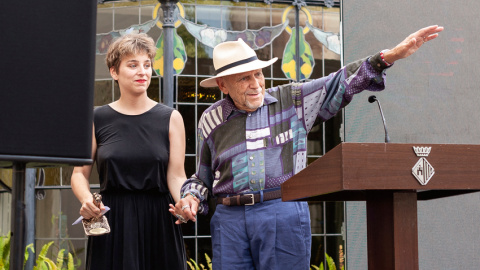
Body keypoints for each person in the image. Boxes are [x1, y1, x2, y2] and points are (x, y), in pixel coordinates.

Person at [170, 25, 444, 269]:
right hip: (229, 221)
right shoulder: (211, 119)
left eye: (258, 74)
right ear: (222, 85)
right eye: (245, 79)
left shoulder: (292, 100)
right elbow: (202, 178)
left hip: (281, 211)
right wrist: (191, 198)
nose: (256, 85)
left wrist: (388, 57)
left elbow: (339, 81)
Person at [71, 33, 187, 270]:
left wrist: (183, 202)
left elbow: (176, 175)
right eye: (132, 65)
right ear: (114, 72)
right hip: (112, 219)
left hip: (159, 220)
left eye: (147, 65)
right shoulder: (96, 118)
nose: (142, 72)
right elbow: (78, 174)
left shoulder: (171, 118)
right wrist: (86, 200)